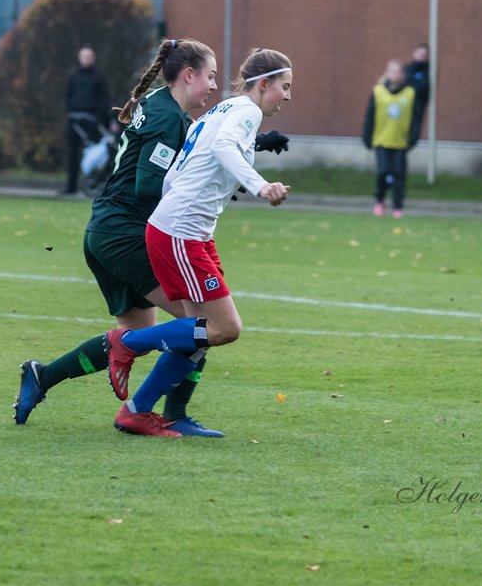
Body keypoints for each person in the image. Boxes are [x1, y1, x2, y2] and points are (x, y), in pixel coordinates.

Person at [15, 38, 277, 437]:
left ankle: (43, 376)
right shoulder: (166, 119)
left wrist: (254, 146)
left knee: (160, 334)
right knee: (201, 327)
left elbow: (197, 146)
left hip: (107, 231)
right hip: (128, 234)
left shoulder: (159, 104)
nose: (212, 86)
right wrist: (198, 190)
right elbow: (148, 184)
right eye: (208, 76)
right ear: (187, 75)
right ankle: (171, 414)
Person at [106, 48, 292, 437]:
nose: (287, 96)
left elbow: (186, 161)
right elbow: (224, 149)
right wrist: (261, 186)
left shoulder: (221, 110)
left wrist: (184, 200)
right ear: (263, 84)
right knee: (226, 328)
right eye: (284, 87)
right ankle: (127, 343)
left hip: (181, 229)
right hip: (181, 233)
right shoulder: (247, 112)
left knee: (197, 332)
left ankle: (139, 411)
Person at [360, 58, 422, 218]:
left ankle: (397, 207)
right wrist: (367, 137)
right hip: (382, 140)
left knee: (398, 175)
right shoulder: (378, 91)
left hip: (400, 142)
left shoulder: (410, 93)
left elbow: (416, 119)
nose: (395, 74)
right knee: (383, 172)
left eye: (398, 71)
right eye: (392, 71)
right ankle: (379, 200)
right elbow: (370, 116)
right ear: (387, 73)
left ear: (402, 74)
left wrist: (413, 138)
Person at [63, 45, 113, 195]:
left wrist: (101, 119)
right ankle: (70, 187)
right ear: (79, 58)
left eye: (89, 57)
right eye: (84, 57)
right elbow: (68, 95)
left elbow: (104, 99)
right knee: (73, 154)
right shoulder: (73, 75)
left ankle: (91, 183)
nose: (86, 60)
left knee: (92, 152)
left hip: (91, 122)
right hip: (74, 120)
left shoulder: (98, 77)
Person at [404, 42, 431, 118]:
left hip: (419, 103)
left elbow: (424, 85)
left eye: (424, 54)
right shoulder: (407, 69)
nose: (421, 56)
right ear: (414, 53)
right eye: (419, 53)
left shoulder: (428, 70)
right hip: (405, 102)